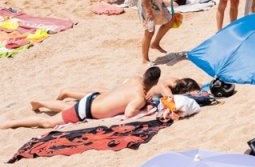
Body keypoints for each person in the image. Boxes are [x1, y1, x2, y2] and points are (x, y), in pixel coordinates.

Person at [3, 66, 163, 129]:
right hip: (87, 110)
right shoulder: (139, 97)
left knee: (69, 108)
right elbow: (129, 114)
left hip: (93, 99)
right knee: (48, 123)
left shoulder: (135, 78)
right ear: (155, 82)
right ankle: (11, 123)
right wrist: (145, 106)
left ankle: (41, 103)